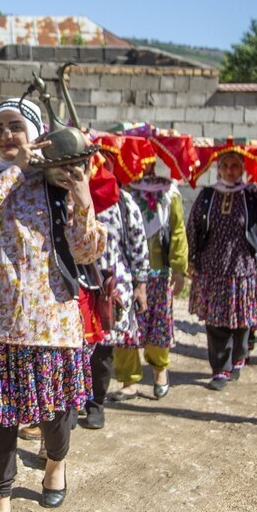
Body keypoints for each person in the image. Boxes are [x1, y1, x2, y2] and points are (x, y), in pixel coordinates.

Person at [0, 98, 106, 512]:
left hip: (52, 320)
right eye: (0, 128)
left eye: (17, 127)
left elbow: (86, 251)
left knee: (57, 410)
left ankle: (56, 464)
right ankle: (1, 502)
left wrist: (81, 194)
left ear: (37, 133)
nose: (8, 135)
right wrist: (18, 169)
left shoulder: (60, 184)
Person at [186, 149, 257, 390]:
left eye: (235, 166)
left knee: (242, 320)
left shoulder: (252, 195)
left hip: (243, 268)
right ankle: (220, 370)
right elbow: (193, 227)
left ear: (243, 169)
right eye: (225, 166)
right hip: (213, 268)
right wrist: (191, 261)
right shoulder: (207, 195)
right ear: (219, 169)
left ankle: (238, 357)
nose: (230, 171)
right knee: (215, 321)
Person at [81, 159, 148, 429]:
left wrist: (141, 285)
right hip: (76, 282)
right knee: (74, 348)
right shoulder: (70, 196)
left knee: (103, 350)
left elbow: (137, 243)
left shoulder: (124, 202)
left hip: (112, 286)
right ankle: (71, 405)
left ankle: (96, 404)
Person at [113, 161, 187, 400]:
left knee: (158, 325)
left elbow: (177, 231)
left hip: (160, 271)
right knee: (124, 326)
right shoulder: (123, 192)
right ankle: (129, 380)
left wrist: (179, 268)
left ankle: (159, 370)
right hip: (127, 271)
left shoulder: (169, 193)